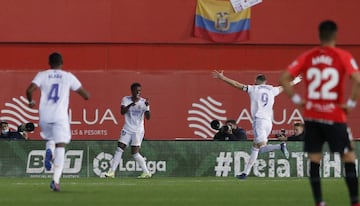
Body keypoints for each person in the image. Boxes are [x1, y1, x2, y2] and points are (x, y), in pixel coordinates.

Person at [279, 20, 360, 206]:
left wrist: (300, 102)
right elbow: (358, 80)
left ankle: (319, 202)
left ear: (319, 35)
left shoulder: (307, 56)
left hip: (313, 117)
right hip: (334, 116)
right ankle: (355, 202)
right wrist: (350, 103)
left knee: (314, 159)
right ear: (336, 35)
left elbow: (283, 78)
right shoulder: (343, 56)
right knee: (348, 156)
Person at [212, 71, 301, 179]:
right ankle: (245, 173)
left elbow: (236, 84)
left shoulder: (253, 89)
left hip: (259, 122)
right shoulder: (272, 90)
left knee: (262, 148)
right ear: (265, 82)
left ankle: (280, 146)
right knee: (255, 147)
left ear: (256, 81)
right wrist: (295, 81)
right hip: (269, 123)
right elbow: (284, 87)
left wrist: (222, 78)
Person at [26, 52, 90, 191]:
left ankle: (49, 149)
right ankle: (55, 180)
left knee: (50, 138)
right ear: (62, 62)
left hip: (44, 115)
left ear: (49, 63)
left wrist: (31, 101)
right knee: (60, 145)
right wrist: (86, 95)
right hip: (60, 116)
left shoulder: (42, 75)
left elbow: (29, 90)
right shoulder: (67, 76)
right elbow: (85, 95)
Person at [105, 82, 152, 179]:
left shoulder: (144, 102)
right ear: (132, 91)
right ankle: (111, 172)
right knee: (120, 147)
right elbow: (122, 112)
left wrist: (147, 107)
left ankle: (146, 172)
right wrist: (131, 104)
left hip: (138, 131)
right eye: (137, 90)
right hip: (127, 128)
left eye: (140, 90)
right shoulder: (126, 99)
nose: (139, 92)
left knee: (134, 152)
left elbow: (148, 117)